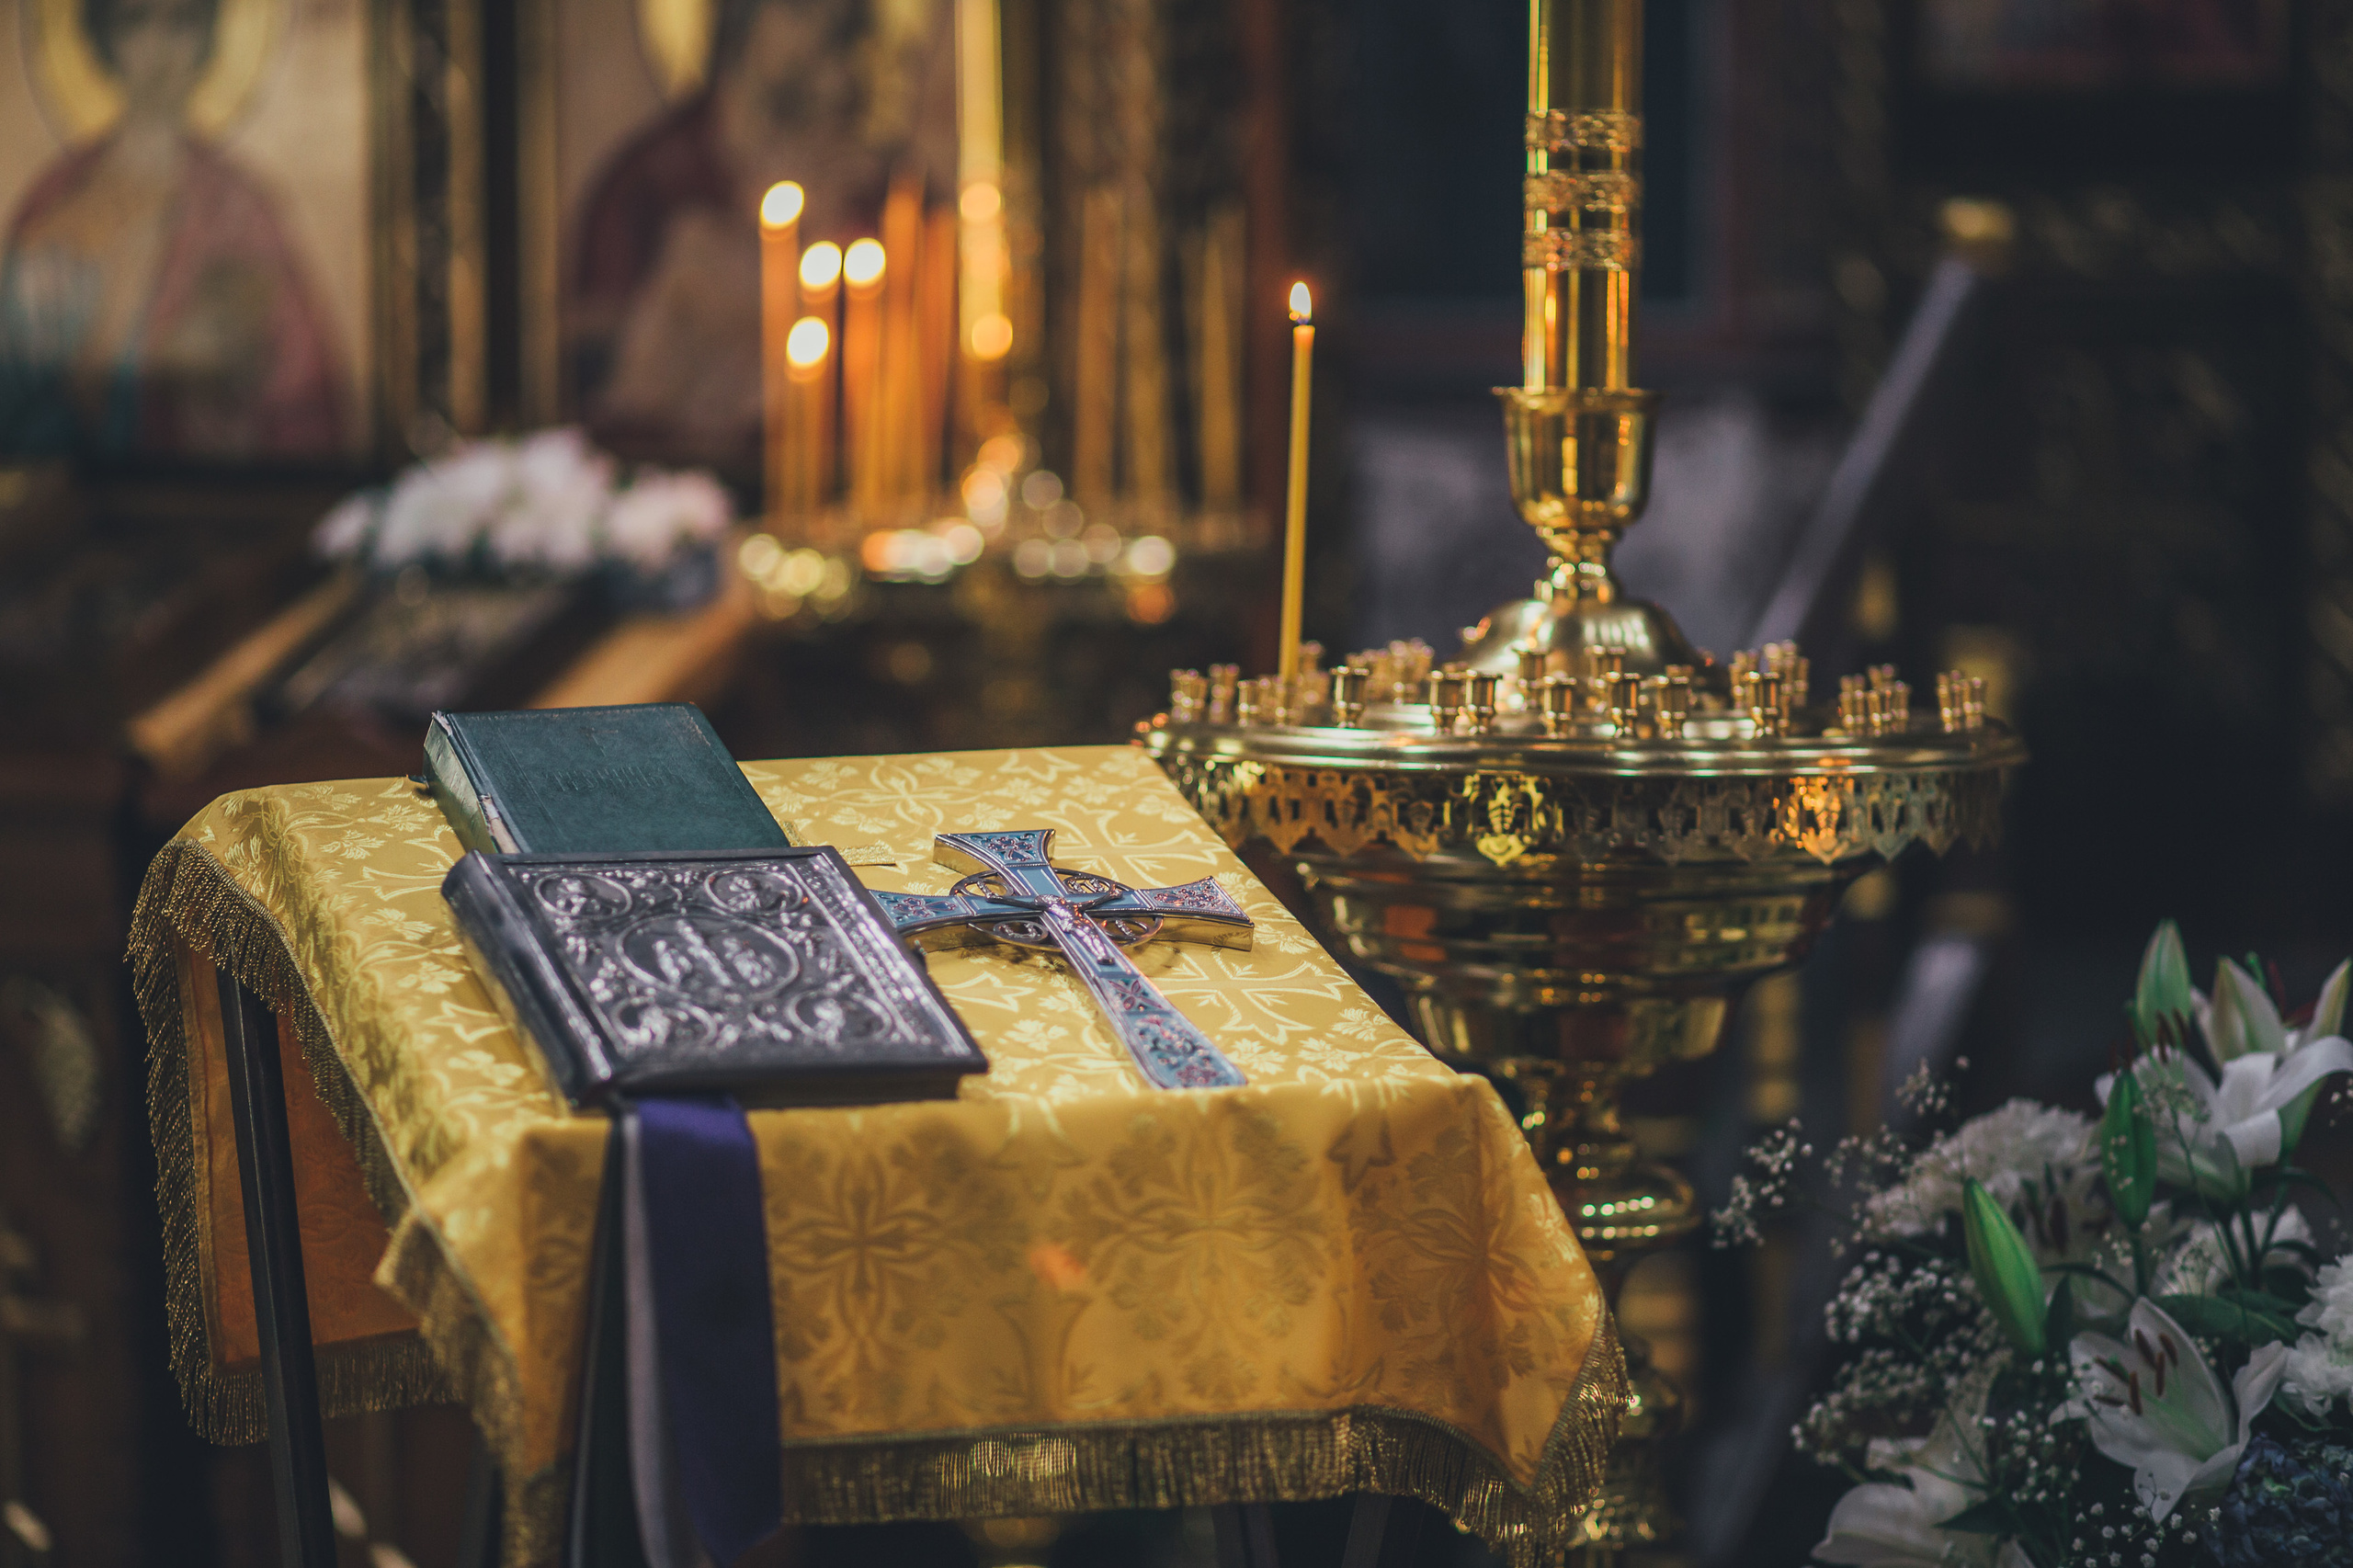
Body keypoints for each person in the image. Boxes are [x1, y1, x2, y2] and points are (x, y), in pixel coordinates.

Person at [567, 0, 953, 463]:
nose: (823, 38)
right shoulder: (652, 182)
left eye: (842, 21)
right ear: (740, 19)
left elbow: (923, 371)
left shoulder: (885, 190)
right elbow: (607, 387)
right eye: (799, 11)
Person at [0, 0, 350, 459]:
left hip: (203, 501)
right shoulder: (56, 200)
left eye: (180, 23)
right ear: (103, 38)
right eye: (136, 21)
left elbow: (306, 400)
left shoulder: (240, 209)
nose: (159, 50)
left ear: (208, 39)